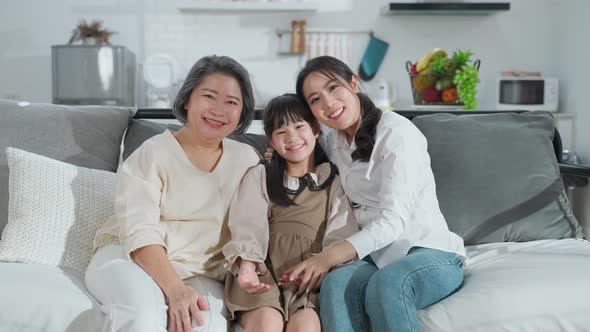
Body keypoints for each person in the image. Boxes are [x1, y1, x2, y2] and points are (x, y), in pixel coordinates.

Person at [279, 55, 467, 332]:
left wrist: (326, 258)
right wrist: (279, 154)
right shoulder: (333, 140)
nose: (328, 103)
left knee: (389, 283)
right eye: (315, 99)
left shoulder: (397, 134)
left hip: (429, 252)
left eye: (333, 88)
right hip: (378, 257)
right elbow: (302, 154)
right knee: (335, 283)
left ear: (354, 83)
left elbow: (393, 221)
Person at [84, 55, 260, 332]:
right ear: (188, 99)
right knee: (144, 317)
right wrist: (175, 290)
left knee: (207, 325)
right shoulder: (152, 153)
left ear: (242, 112)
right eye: (209, 96)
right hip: (130, 258)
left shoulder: (247, 159)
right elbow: (139, 229)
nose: (218, 110)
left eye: (232, 102)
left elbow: (259, 219)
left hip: (200, 271)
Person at [222, 94, 358, 332]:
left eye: (299, 126)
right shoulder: (260, 175)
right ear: (272, 142)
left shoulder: (333, 180)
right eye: (281, 132)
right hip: (261, 272)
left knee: (306, 326)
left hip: (307, 278)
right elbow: (247, 223)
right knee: (267, 323)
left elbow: (341, 232)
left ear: (315, 130)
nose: (292, 137)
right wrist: (247, 267)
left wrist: (323, 269)